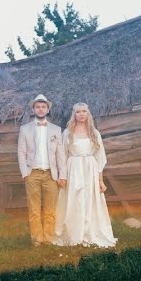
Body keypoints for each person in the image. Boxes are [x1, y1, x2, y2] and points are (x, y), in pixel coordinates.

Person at [53, 103, 117, 247]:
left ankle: (89, 232)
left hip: (90, 169)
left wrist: (100, 181)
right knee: (74, 199)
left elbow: (100, 158)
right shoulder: (67, 133)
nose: (81, 114)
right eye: (78, 112)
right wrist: (62, 176)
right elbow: (62, 156)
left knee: (89, 199)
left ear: (88, 114)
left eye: (84, 111)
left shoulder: (94, 133)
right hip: (74, 168)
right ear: (74, 114)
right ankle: (74, 233)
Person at [17, 94, 67, 246]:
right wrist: (25, 174)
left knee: (50, 209)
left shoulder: (56, 129)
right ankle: (37, 239)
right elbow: (21, 152)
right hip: (32, 173)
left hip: (51, 175)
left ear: (47, 109)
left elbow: (60, 154)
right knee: (34, 209)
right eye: (37, 107)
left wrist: (62, 175)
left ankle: (49, 238)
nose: (40, 109)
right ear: (33, 109)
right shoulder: (25, 129)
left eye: (43, 107)